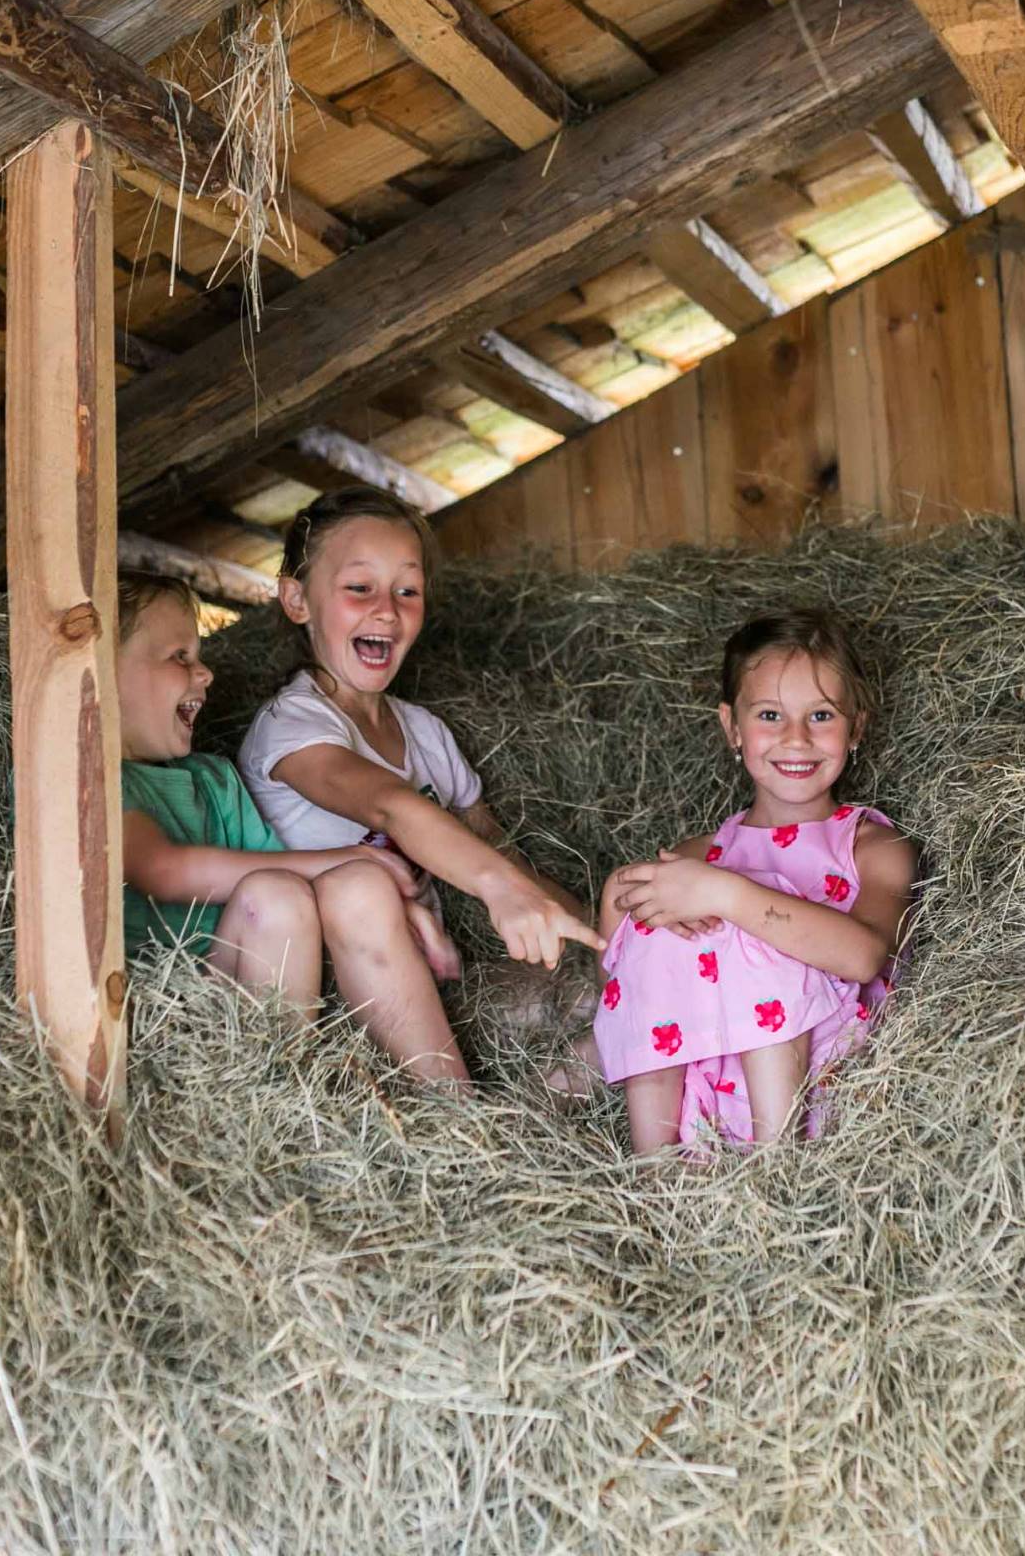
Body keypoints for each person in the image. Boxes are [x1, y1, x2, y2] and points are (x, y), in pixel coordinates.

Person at [116, 572, 470, 1085]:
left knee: (348, 885)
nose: (206, 674)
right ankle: (275, 1100)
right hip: (150, 1026)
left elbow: (308, 883)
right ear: (97, 670)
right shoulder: (85, 780)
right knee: (274, 895)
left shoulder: (213, 779)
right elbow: (163, 871)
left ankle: (455, 1111)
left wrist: (397, 902)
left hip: (239, 989)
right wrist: (344, 857)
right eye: (180, 657)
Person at [237, 485, 604, 974]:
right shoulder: (291, 726)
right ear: (297, 598)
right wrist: (499, 890)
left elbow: (496, 848)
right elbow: (391, 806)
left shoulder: (426, 733)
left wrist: (596, 935)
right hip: (329, 993)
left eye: (407, 590)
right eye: (360, 588)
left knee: (588, 1008)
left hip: (428, 975)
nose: (388, 609)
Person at [591, 611, 918, 1153]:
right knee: (650, 930)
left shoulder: (870, 848)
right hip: (702, 1076)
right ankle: (652, 1167)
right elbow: (630, 986)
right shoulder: (699, 856)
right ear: (732, 728)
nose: (795, 738)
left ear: (856, 728)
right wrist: (617, 900)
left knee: (749, 932)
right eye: (770, 714)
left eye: (821, 716)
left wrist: (726, 895)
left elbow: (864, 959)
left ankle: (776, 1168)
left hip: (815, 1082)